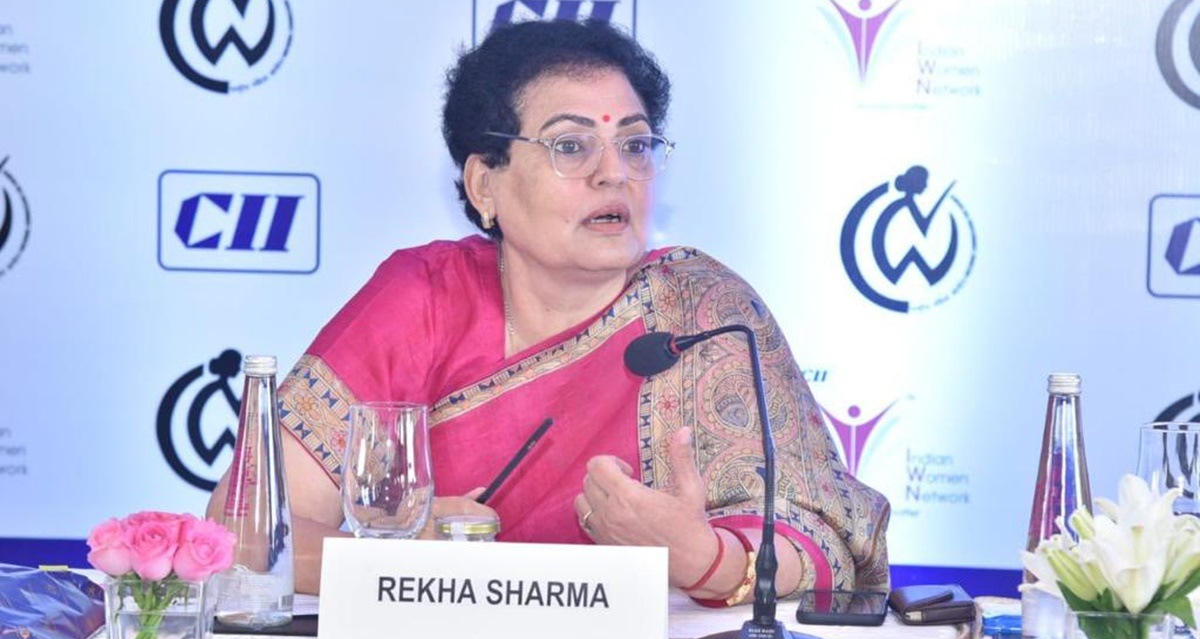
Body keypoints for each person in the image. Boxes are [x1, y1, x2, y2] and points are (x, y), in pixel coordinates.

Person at [206, 19, 890, 603]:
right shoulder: (422, 297)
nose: (614, 172)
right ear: (485, 184)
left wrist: (702, 558)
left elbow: (822, 540)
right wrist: (402, 559)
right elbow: (247, 531)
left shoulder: (703, 310)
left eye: (635, 144)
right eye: (570, 145)